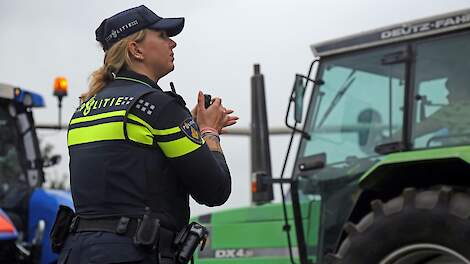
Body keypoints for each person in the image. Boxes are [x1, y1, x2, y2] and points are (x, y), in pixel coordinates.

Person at [59, 5, 237, 264]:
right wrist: (209, 132)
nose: (173, 43)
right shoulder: (159, 107)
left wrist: (185, 127)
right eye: (163, 36)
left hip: (76, 253)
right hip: (134, 254)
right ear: (136, 49)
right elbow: (215, 190)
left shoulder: (83, 110)